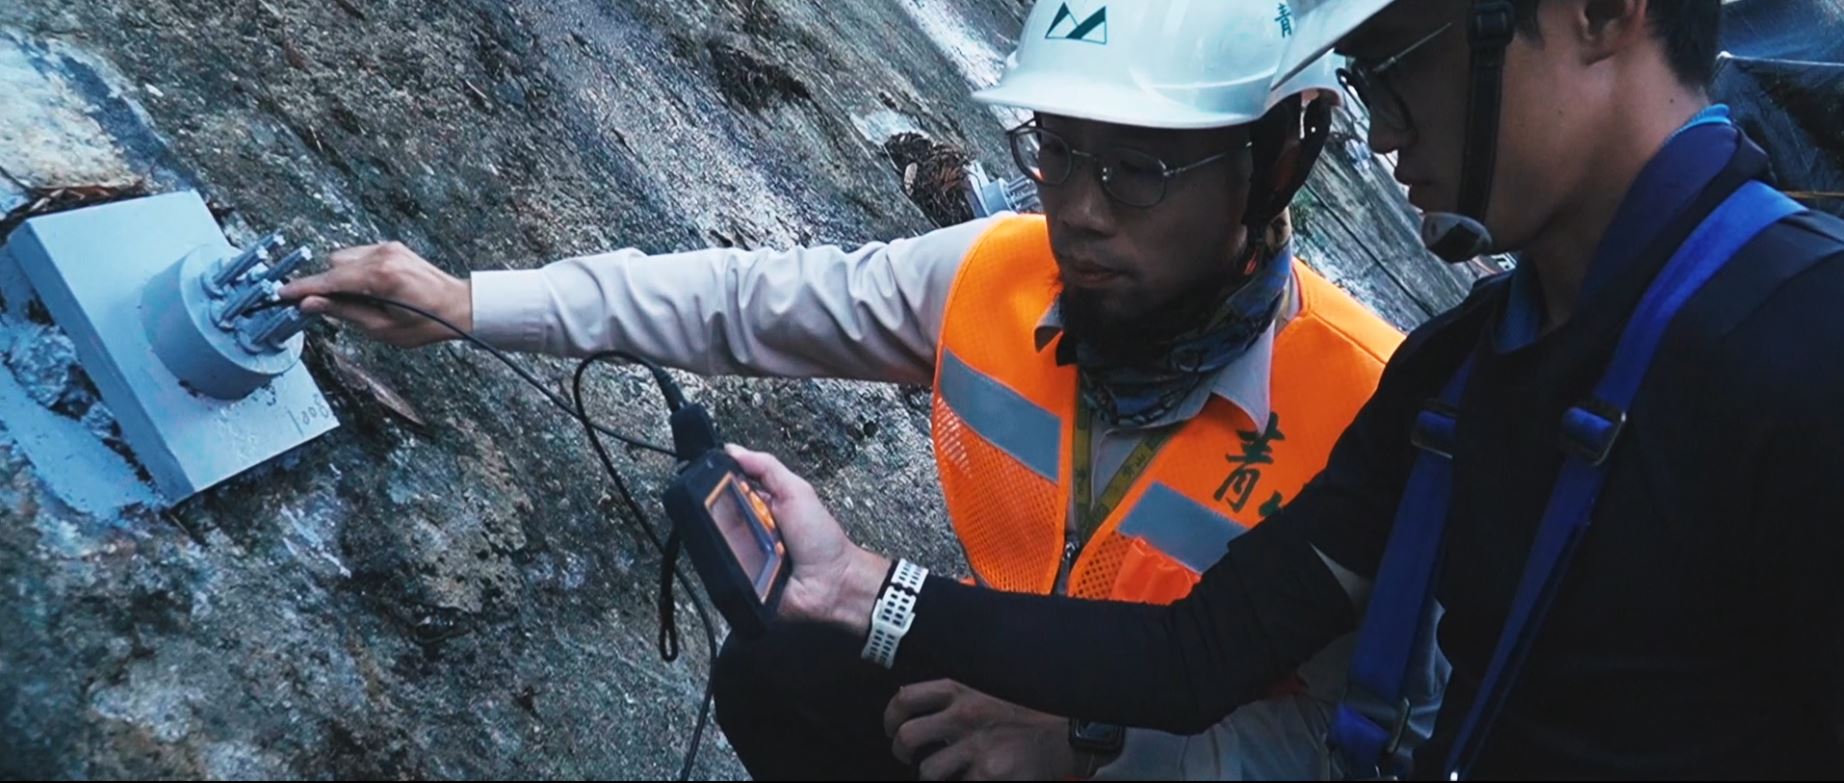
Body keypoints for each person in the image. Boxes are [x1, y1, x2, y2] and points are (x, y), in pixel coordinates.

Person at [281, 3, 1425, 778]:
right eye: (1058, 150)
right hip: (1011, 681)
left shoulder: (1373, 414)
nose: (1078, 208)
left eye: (1137, 168)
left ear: (1274, 163)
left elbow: (1377, 743)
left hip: (1163, 752)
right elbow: (743, 304)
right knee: (786, 671)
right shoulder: (999, 274)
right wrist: (467, 301)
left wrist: (1094, 742)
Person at [725, 0, 1844, 778]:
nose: (1381, 128)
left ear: (1600, 14)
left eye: (1399, 62)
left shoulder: (1805, 347)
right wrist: (865, 589)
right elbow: (1196, 656)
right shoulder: (1463, 368)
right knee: (801, 678)